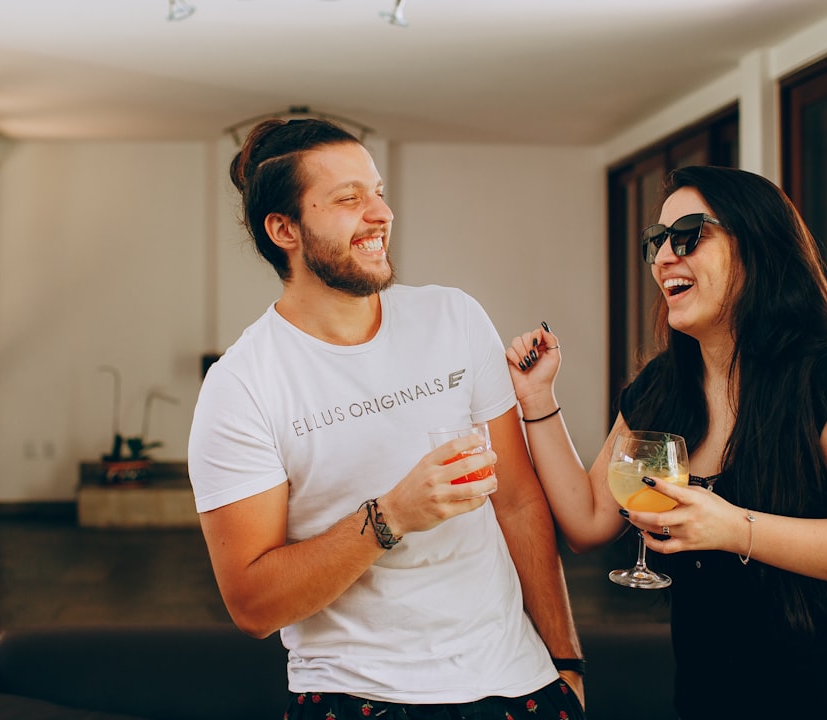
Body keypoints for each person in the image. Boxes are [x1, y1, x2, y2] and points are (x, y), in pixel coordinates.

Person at [506, 165, 827, 719]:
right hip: (717, 697)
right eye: (657, 241)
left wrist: (732, 528)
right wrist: (536, 399)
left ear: (760, 248)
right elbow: (588, 522)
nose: (664, 256)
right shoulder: (662, 386)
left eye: (689, 233)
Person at [188, 118, 584, 720]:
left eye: (376, 191)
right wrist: (391, 516)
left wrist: (566, 662)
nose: (380, 213)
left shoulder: (454, 317)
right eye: (349, 199)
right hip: (358, 696)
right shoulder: (242, 385)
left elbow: (519, 501)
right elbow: (253, 605)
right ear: (283, 228)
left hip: (516, 679)